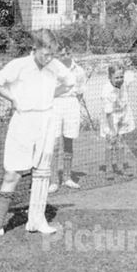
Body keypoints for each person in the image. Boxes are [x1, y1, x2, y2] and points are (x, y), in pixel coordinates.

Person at [0, 29, 75, 241]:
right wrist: (13, 98)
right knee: (12, 173)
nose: (49, 58)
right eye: (45, 54)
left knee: (42, 173)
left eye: (52, 54)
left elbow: (70, 83)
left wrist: (50, 95)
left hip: (47, 120)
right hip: (23, 122)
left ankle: (38, 220)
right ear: (34, 49)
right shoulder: (19, 65)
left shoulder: (55, 66)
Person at [48, 39, 88, 193]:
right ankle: (53, 181)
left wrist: (73, 100)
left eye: (66, 53)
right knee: (55, 144)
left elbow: (81, 90)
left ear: (71, 52)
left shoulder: (79, 70)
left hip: (72, 104)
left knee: (68, 142)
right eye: (61, 54)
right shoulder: (53, 69)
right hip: (56, 104)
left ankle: (67, 178)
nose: (63, 56)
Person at [100, 63, 135, 179]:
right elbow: (108, 113)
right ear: (109, 77)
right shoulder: (106, 91)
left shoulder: (124, 82)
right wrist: (112, 130)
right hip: (110, 118)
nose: (119, 80)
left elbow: (131, 74)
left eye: (121, 77)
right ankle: (109, 169)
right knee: (110, 141)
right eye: (116, 77)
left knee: (121, 142)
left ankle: (120, 167)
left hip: (123, 114)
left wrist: (124, 68)